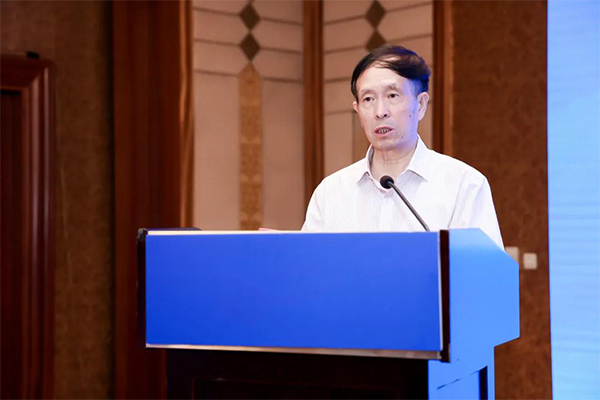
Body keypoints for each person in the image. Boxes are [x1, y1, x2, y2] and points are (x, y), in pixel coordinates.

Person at [301, 45, 503, 247]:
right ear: (358, 110)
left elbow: (483, 267)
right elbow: (307, 264)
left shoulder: (464, 185)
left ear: (421, 105)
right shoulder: (330, 193)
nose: (380, 112)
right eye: (368, 99)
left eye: (392, 96)